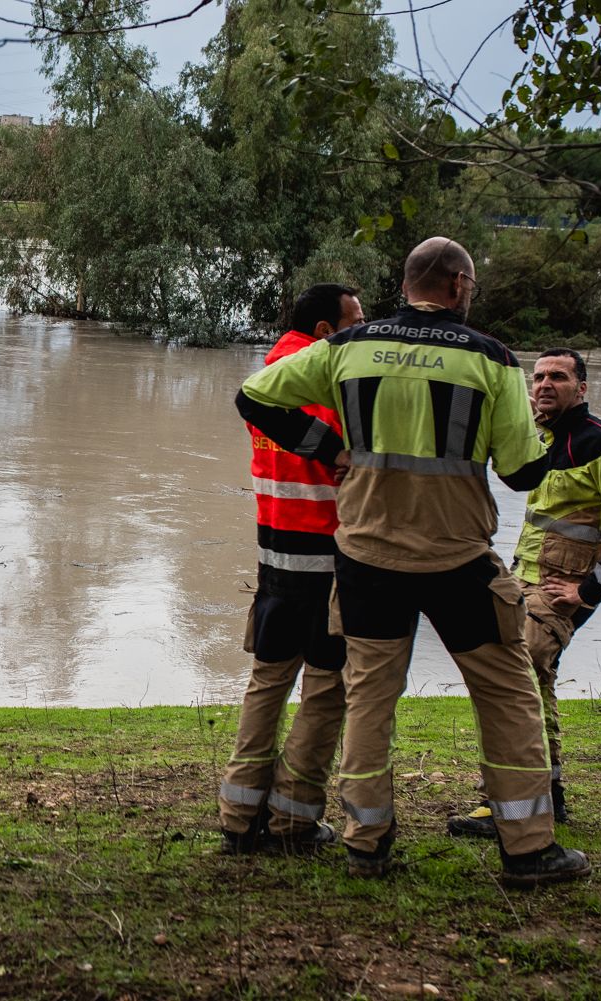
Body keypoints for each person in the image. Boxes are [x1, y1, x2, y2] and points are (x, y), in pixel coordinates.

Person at [236, 237, 590, 888]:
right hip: (458, 556)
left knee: (369, 698)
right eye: (471, 285)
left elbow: (255, 396)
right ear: (457, 285)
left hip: (366, 555)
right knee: (508, 693)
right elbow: (517, 472)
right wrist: (554, 439)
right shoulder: (490, 359)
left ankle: (366, 841)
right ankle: (528, 847)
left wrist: (330, 446)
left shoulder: (350, 346)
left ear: (408, 284)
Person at [449, 348, 601, 837]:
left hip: (561, 591)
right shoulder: (542, 437)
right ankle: (551, 796)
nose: (544, 384)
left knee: (509, 677)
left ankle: (505, 804)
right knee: (534, 682)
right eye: (538, 376)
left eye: (558, 377)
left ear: (582, 388)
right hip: (526, 580)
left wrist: (590, 591)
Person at [219, 284, 362, 855]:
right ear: (327, 332)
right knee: (325, 692)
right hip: (329, 560)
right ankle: (293, 823)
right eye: (355, 319)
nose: (362, 328)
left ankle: (237, 816)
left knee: (267, 685)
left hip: (275, 556)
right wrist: (336, 450)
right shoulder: (327, 380)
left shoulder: (270, 372)